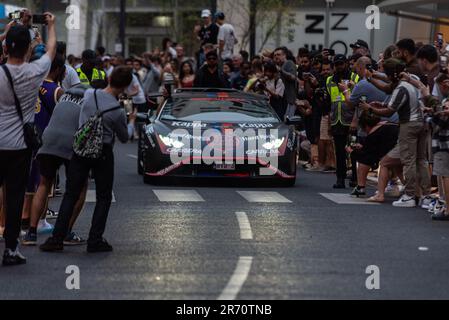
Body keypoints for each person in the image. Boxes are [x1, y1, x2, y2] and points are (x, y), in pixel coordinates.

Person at [40, 66, 132, 253]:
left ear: (110, 78)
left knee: (70, 194)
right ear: (125, 86)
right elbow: (124, 137)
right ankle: (95, 239)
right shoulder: (116, 110)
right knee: (103, 197)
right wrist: (131, 122)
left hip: (80, 149)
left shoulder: (89, 94)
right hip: (102, 153)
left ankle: (57, 238)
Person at [0, 13, 57, 266]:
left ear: (5, 47)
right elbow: (52, 50)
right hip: (20, 147)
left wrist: (8, 29)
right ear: (27, 50)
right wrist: (51, 25)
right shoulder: (35, 71)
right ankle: (11, 248)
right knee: (14, 198)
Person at [362, 58, 431, 208]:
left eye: (386, 72)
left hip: (409, 124)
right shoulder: (412, 79)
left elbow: (388, 111)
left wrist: (370, 108)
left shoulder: (401, 88)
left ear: (392, 74)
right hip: (422, 123)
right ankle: (426, 196)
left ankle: (410, 195)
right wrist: (374, 76)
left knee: (409, 161)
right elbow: (388, 84)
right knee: (421, 161)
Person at [326, 54, 360, 189]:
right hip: (336, 120)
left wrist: (355, 120)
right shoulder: (329, 80)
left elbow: (358, 99)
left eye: (341, 64)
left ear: (346, 64)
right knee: (339, 151)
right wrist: (329, 121)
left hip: (351, 119)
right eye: (337, 64)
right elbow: (330, 102)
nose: (339, 67)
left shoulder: (354, 78)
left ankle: (355, 178)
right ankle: (340, 178)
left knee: (354, 150)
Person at [349, 111, 399, 198]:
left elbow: (366, 156)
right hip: (404, 147)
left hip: (399, 150)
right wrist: (363, 147)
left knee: (384, 163)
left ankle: (376, 192)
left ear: (366, 126)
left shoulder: (373, 133)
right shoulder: (387, 124)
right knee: (397, 166)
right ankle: (411, 192)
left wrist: (352, 152)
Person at [273, 47, 298, 120]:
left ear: (284, 55)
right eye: (275, 55)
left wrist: (281, 71)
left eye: (278, 54)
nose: (276, 57)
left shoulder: (289, 63)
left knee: (288, 123)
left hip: (289, 101)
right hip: (281, 101)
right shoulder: (278, 67)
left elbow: (293, 77)